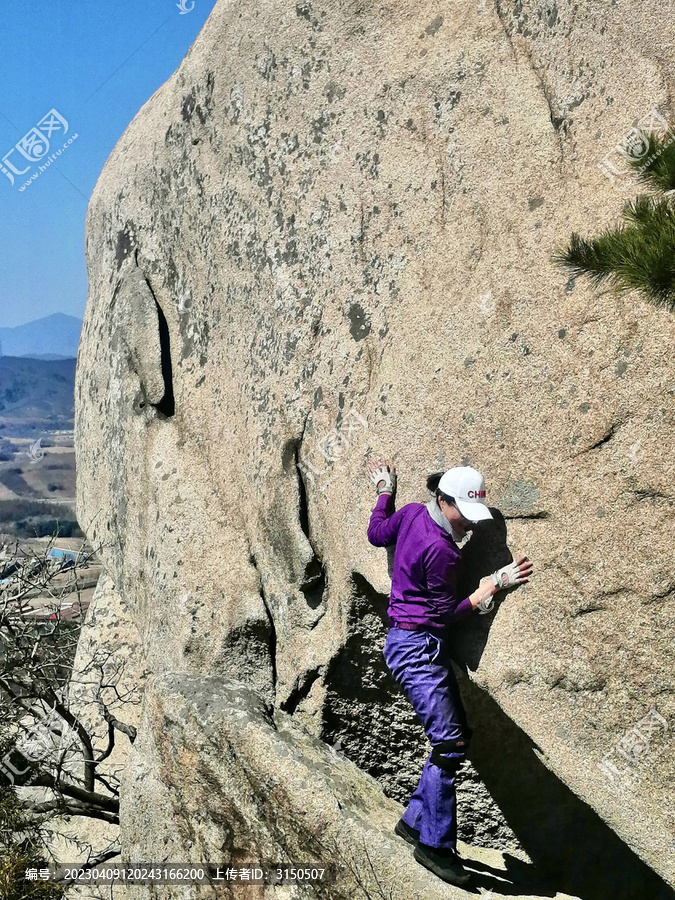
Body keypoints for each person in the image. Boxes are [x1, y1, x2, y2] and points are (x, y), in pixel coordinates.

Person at [365, 458, 533, 886]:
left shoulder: (411, 514)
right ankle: (435, 847)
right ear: (443, 500)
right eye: (464, 514)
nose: (470, 526)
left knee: (458, 735)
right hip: (420, 646)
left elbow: (376, 533)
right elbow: (444, 616)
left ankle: (415, 820)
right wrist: (490, 587)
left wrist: (386, 490)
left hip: (407, 642)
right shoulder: (442, 551)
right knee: (450, 744)